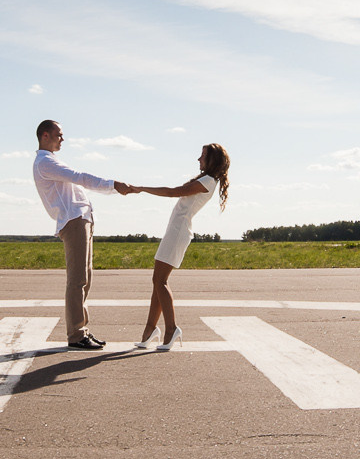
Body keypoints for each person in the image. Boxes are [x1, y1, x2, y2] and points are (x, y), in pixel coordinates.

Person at [116, 143, 231, 350]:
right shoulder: (206, 180)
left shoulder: (207, 181)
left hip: (178, 233)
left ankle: (171, 329)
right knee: (157, 282)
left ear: (212, 160)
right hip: (175, 232)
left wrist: (142, 188)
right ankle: (150, 330)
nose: (198, 159)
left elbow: (172, 192)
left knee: (160, 281)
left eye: (202, 156)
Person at [31, 119, 121, 350]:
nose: (63, 138)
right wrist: (113, 185)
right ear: (45, 136)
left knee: (85, 279)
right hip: (73, 221)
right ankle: (76, 335)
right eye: (58, 135)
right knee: (77, 280)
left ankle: (82, 332)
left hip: (81, 219)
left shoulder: (51, 161)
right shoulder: (45, 162)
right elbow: (79, 176)